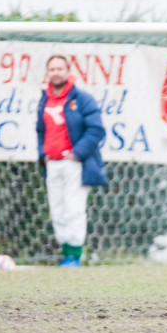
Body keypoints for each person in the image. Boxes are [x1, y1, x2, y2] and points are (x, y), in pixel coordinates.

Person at [36, 55, 108, 267]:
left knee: (73, 208)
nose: (56, 72)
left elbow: (96, 130)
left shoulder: (82, 98)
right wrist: (43, 154)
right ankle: (65, 252)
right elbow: (41, 131)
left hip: (74, 163)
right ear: (47, 73)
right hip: (53, 163)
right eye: (52, 69)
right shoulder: (45, 99)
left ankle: (74, 255)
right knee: (57, 209)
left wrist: (77, 153)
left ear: (68, 71)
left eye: (60, 68)